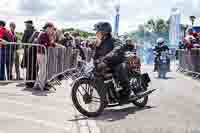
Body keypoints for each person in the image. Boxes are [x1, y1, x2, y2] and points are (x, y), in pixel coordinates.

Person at [93, 22, 145, 101]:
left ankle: (127, 92)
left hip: (118, 62)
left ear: (104, 32)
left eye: (98, 31)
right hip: (108, 64)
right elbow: (96, 55)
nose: (96, 33)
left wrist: (108, 56)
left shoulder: (114, 40)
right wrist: (95, 61)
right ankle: (107, 95)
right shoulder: (100, 43)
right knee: (95, 73)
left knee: (120, 68)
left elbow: (117, 48)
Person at [33, 22, 56, 91]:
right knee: (43, 71)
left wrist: (52, 43)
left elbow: (49, 44)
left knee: (41, 70)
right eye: (51, 29)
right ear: (48, 28)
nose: (52, 30)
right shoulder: (44, 34)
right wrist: (52, 41)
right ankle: (40, 86)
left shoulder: (44, 34)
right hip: (42, 54)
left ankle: (37, 85)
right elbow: (47, 44)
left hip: (41, 53)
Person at [21, 20, 37, 88]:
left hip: (28, 51)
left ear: (29, 24)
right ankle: (33, 81)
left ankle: (28, 83)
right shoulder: (36, 31)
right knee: (34, 67)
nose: (25, 25)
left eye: (26, 24)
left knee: (29, 67)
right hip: (35, 51)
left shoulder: (27, 30)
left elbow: (23, 41)